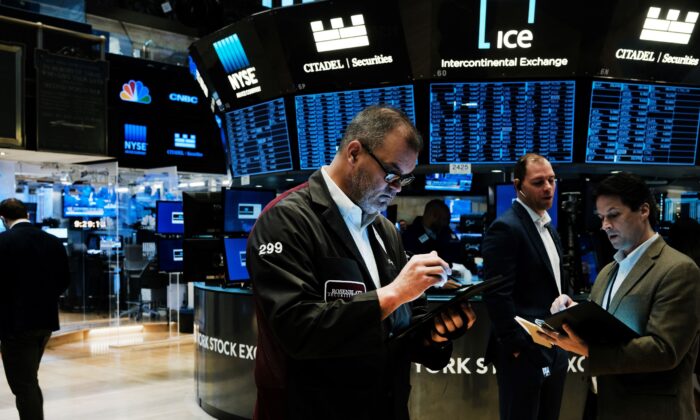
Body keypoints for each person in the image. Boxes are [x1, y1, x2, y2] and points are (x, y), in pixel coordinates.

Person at [246, 105, 477, 420]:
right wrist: (394, 294)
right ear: (354, 152)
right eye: (392, 174)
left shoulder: (384, 231)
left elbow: (402, 328)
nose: (395, 190)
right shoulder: (285, 219)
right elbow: (297, 330)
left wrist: (434, 335)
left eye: (404, 180)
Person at [544, 172, 700, 420]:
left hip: (651, 410)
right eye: (601, 217)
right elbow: (606, 327)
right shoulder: (608, 271)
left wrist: (588, 350)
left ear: (644, 210)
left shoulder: (679, 270)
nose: (605, 225)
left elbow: (664, 350)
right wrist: (573, 312)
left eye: (613, 215)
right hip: (603, 404)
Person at [481, 153, 569, 420]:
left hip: (555, 346)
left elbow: (557, 282)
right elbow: (496, 293)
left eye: (552, 180)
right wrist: (518, 346)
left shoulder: (548, 227)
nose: (548, 187)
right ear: (519, 186)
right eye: (539, 182)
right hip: (525, 351)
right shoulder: (506, 227)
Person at [0, 198, 71, 419]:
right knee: (29, 379)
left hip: (15, 326)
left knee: (23, 385)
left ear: (3, 219)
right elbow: (64, 281)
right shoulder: (52, 241)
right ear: (28, 215)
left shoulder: (4, 242)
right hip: (45, 323)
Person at [402, 199, 463, 266]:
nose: (446, 223)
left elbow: (459, 253)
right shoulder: (410, 235)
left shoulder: (445, 231)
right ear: (434, 216)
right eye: (444, 219)